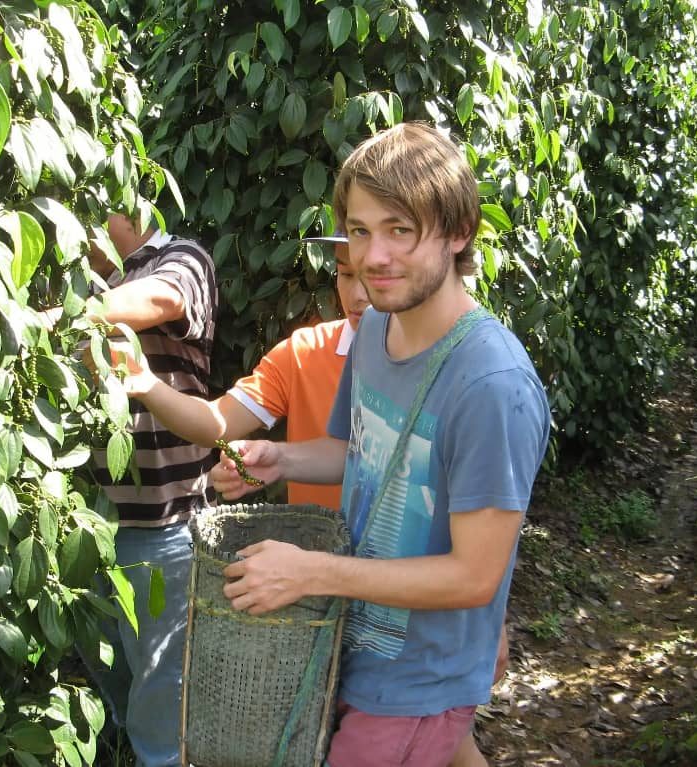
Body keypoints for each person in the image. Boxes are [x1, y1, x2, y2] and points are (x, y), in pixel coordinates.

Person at [210, 122, 550, 767]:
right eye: (361, 231)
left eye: (400, 229)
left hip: (419, 679)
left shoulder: (491, 385)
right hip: (356, 642)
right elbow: (359, 452)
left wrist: (312, 572)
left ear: (459, 232)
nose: (374, 257)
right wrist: (281, 459)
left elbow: (475, 575)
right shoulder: (377, 328)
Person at [52, 213, 218, 767]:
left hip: (164, 525)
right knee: (111, 663)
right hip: (86, 522)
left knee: (164, 679)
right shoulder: (82, 276)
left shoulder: (182, 258)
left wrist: (55, 316)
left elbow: (161, 299)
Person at [108, 233, 369, 511]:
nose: (357, 295)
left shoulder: (407, 363)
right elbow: (218, 422)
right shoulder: (304, 351)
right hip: (314, 537)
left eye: (372, 275)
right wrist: (145, 383)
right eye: (346, 274)